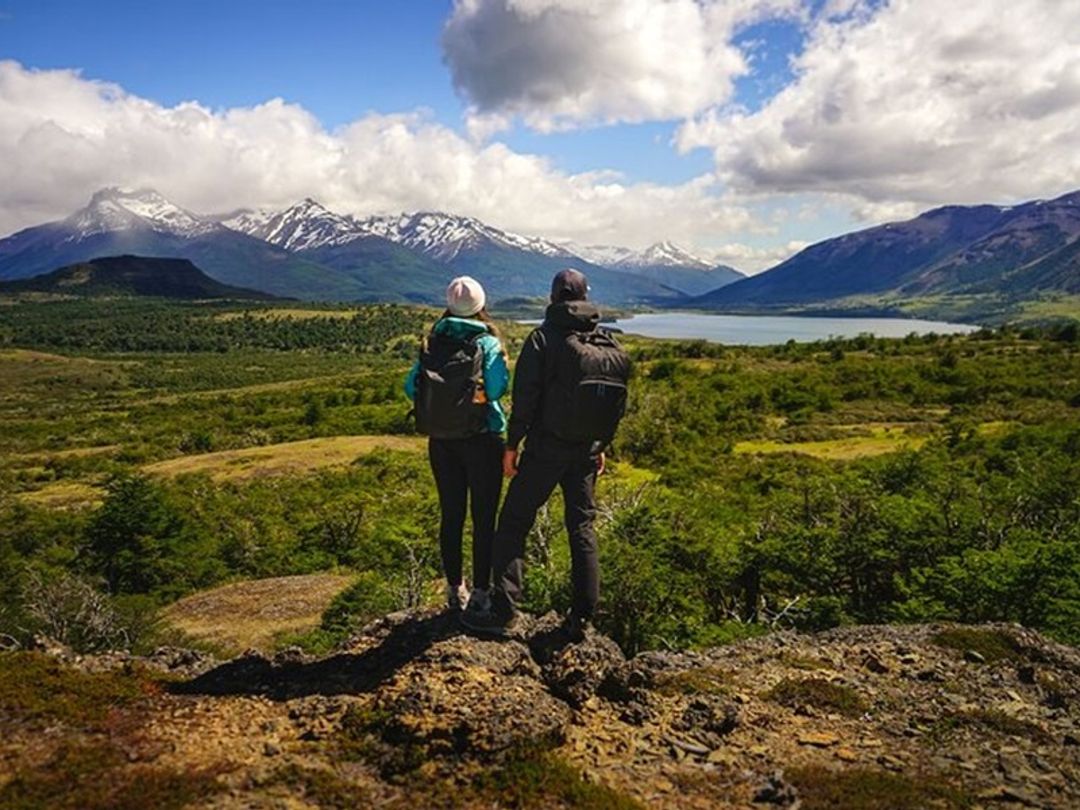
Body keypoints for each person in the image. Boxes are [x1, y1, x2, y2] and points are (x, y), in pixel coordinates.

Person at [461, 268, 630, 639]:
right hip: (586, 451)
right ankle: (582, 619)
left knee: (514, 523)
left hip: (546, 449)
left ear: (553, 297)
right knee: (582, 528)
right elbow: (612, 402)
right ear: (585, 296)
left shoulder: (543, 338)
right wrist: (600, 445)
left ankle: (504, 611)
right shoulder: (603, 338)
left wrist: (512, 445)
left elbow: (526, 400)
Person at [405, 276, 509, 612]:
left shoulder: (433, 342)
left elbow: (410, 387)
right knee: (484, 518)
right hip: (483, 439)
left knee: (451, 515)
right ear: (481, 305)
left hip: (441, 441)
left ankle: (454, 589)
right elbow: (497, 389)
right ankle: (481, 592)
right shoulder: (487, 343)